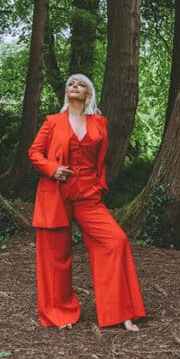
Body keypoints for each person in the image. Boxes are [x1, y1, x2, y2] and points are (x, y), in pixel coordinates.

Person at [28, 74, 146, 331]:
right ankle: (60, 314)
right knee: (56, 257)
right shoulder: (52, 122)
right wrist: (53, 168)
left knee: (116, 241)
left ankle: (121, 312)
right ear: (67, 92)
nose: (75, 86)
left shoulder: (99, 124)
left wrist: (99, 185)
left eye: (81, 84)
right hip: (56, 194)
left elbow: (101, 159)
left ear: (88, 94)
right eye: (71, 83)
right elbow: (34, 152)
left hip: (88, 196)